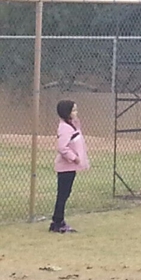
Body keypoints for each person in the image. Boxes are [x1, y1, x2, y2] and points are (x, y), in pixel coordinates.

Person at [49, 100, 89, 233]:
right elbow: (62, 147)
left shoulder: (71, 125)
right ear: (67, 112)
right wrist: (75, 158)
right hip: (66, 167)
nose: (76, 113)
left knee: (65, 193)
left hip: (70, 167)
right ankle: (58, 222)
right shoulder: (65, 128)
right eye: (73, 110)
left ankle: (57, 220)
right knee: (63, 194)